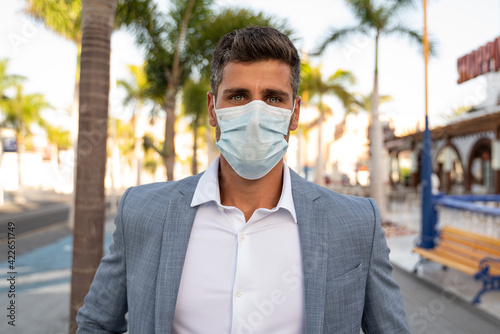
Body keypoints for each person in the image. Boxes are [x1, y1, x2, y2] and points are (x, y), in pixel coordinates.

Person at [77, 26, 410, 334]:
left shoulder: (355, 224)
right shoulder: (142, 212)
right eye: (237, 96)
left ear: (294, 113)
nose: (255, 113)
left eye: (273, 98)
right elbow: (96, 323)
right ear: (212, 109)